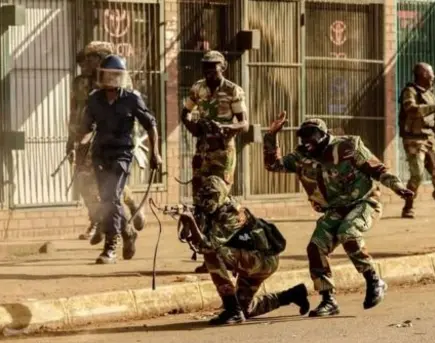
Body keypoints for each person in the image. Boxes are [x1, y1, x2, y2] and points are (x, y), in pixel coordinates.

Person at [263, 112, 414, 316]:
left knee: (348, 232)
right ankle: (328, 300)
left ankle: (374, 281)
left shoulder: (348, 146)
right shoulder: (301, 157)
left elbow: (377, 170)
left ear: (324, 135)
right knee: (315, 247)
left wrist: (398, 187)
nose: (307, 141)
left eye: (312, 135)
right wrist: (271, 136)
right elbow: (273, 165)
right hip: (334, 209)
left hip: (364, 202)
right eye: (303, 136)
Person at [177, 175, 310, 325]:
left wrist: (191, 222)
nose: (206, 201)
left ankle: (232, 310)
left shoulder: (231, 214)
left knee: (213, 254)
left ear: (220, 195)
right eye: (204, 197)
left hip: (263, 260)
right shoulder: (213, 211)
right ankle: (292, 295)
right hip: (250, 257)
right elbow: (200, 242)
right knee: (245, 308)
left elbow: (208, 245)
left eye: (210, 197)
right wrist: (190, 226)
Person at [75, 54, 162, 264]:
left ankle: (110, 247)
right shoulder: (94, 99)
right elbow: (85, 129)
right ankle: (128, 232)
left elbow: (150, 125)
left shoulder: (132, 99)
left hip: (122, 154)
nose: (111, 79)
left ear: (122, 76)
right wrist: (79, 146)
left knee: (111, 197)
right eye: (107, 75)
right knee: (107, 200)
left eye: (116, 75)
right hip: (100, 154)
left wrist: (155, 153)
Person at [67, 41, 146, 246]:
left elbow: (128, 112)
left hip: (110, 141)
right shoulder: (79, 83)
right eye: (86, 58)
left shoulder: (118, 79)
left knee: (110, 189)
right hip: (84, 138)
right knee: (85, 183)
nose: (87, 62)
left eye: (92, 58)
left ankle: (122, 217)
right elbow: (75, 112)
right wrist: (71, 140)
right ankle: (98, 220)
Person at [180, 50, 248, 273]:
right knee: (201, 203)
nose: (209, 71)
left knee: (218, 201)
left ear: (223, 67)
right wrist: (193, 126)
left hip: (223, 152)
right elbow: (185, 113)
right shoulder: (198, 88)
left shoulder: (232, 90)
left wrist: (228, 128)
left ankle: (229, 252)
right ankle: (208, 255)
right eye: (206, 67)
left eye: (214, 67)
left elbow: (244, 123)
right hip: (203, 151)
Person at [398, 62, 435, 218]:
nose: (434, 76)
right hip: (413, 140)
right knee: (417, 174)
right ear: (424, 75)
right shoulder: (410, 91)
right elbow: (411, 110)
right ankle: (408, 207)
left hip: (429, 140)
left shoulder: (430, 94)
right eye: (431, 73)